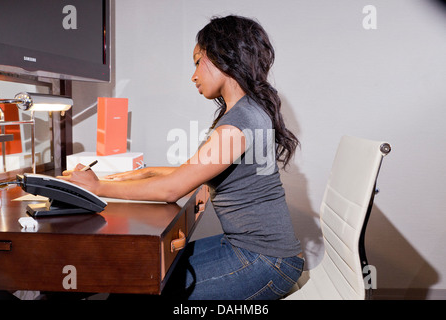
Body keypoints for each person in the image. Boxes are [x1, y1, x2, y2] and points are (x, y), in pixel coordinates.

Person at [60, 15, 303, 300]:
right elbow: (193, 171)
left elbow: (173, 189)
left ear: (223, 57)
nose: (194, 75)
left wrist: (97, 187)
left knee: (140, 289)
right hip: (256, 252)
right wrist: (140, 173)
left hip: (266, 263)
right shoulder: (247, 112)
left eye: (198, 61)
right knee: (141, 271)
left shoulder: (240, 122)